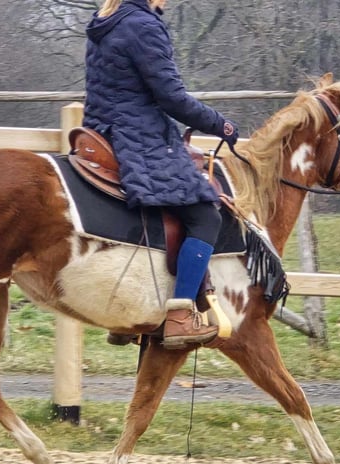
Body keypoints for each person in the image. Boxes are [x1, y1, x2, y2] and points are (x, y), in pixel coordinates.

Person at [84, 0, 239, 348]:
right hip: (137, 138)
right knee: (204, 217)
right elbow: (172, 98)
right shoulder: (143, 24)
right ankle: (181, 317)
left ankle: (130, 315)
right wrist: (221, 124)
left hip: (99, 132)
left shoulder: (104, 18)